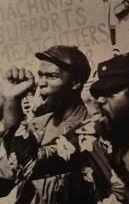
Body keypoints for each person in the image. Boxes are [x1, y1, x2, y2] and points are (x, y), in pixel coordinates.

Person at [3, 53, 129, 204]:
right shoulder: (89, 137)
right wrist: (12, 99)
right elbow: (29, 165)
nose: (99, 100)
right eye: (99, 92)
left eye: (111, 92)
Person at [1, 45, 92, 204]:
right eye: (40, 75)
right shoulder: (37, 125)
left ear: (76, 82)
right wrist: (10, 99)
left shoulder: (90, 128)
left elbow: (30, 164)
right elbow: (7, 175)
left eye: (51, 76)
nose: (41, 83)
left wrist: (12, 102)